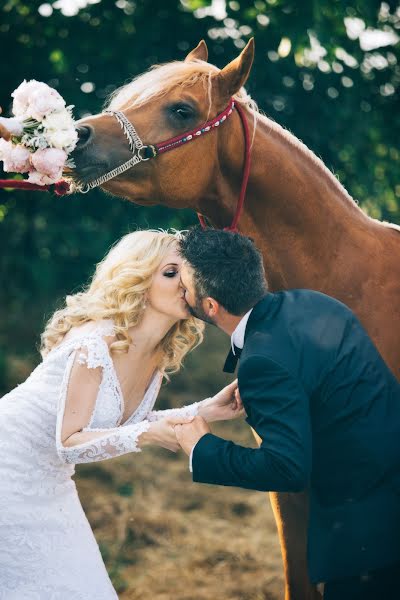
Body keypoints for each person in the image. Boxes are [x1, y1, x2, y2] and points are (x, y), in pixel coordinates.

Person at [0, 229, 243, 600]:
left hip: (51, 482)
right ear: (138, 278)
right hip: (8, 472)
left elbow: (125, 425)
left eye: (189, 273)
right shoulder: (95, 343)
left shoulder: (158, 356)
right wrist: (148, 437)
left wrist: (206, 409)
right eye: (170, 272)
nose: (184, 283)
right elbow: (68, 443)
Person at [175, 226, 400, 600]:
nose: (181, 293)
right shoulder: (312, 303)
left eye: (185, 286)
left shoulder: (262, 362)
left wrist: (204, 449)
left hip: (373, 541)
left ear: (211, 306)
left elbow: (287, 469)